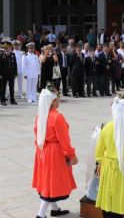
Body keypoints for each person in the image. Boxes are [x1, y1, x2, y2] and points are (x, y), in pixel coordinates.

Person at [32, 83, 76, 218]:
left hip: (43, 150)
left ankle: (55, 208)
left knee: (48, 180)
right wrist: (71, 155)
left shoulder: (40, 115)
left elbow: (36, 132)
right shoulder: (57, 117)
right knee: (51, 182)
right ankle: (41, 214)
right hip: (54, 152)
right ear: (52, 101)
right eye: (57, 99)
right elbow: (64, 139)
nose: (59, 101)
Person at [0, 41, 18, 106]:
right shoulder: (1, 54)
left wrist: (15, 73)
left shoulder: (12, 54)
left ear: (9, 47)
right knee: (3, 88)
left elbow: (15, 64)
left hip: (11, 73)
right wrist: (0, 74)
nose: (6, 49)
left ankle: (12, 100)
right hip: (4, 74)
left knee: (12, 87)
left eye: (7, 47)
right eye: (5, 48)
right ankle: (2, 100)